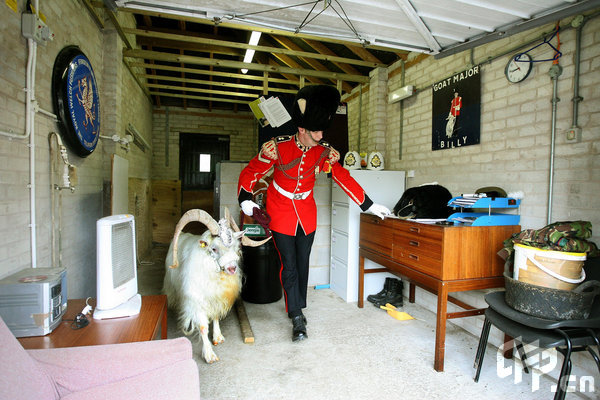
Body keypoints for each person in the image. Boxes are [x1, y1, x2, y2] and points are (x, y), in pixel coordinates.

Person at [237, 85, 391, 342]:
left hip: (306, 213)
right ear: (302, 129)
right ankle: (296, 315)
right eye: (316, 131)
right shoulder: (278, 148)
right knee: (288, 264)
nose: (320, 135)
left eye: (322, 130)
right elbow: (251, 172)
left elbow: (343, 177)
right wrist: (245, 199)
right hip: (280, 210)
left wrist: (368, 204)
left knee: (302, 261)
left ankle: (298, 305)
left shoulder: (323, 152)